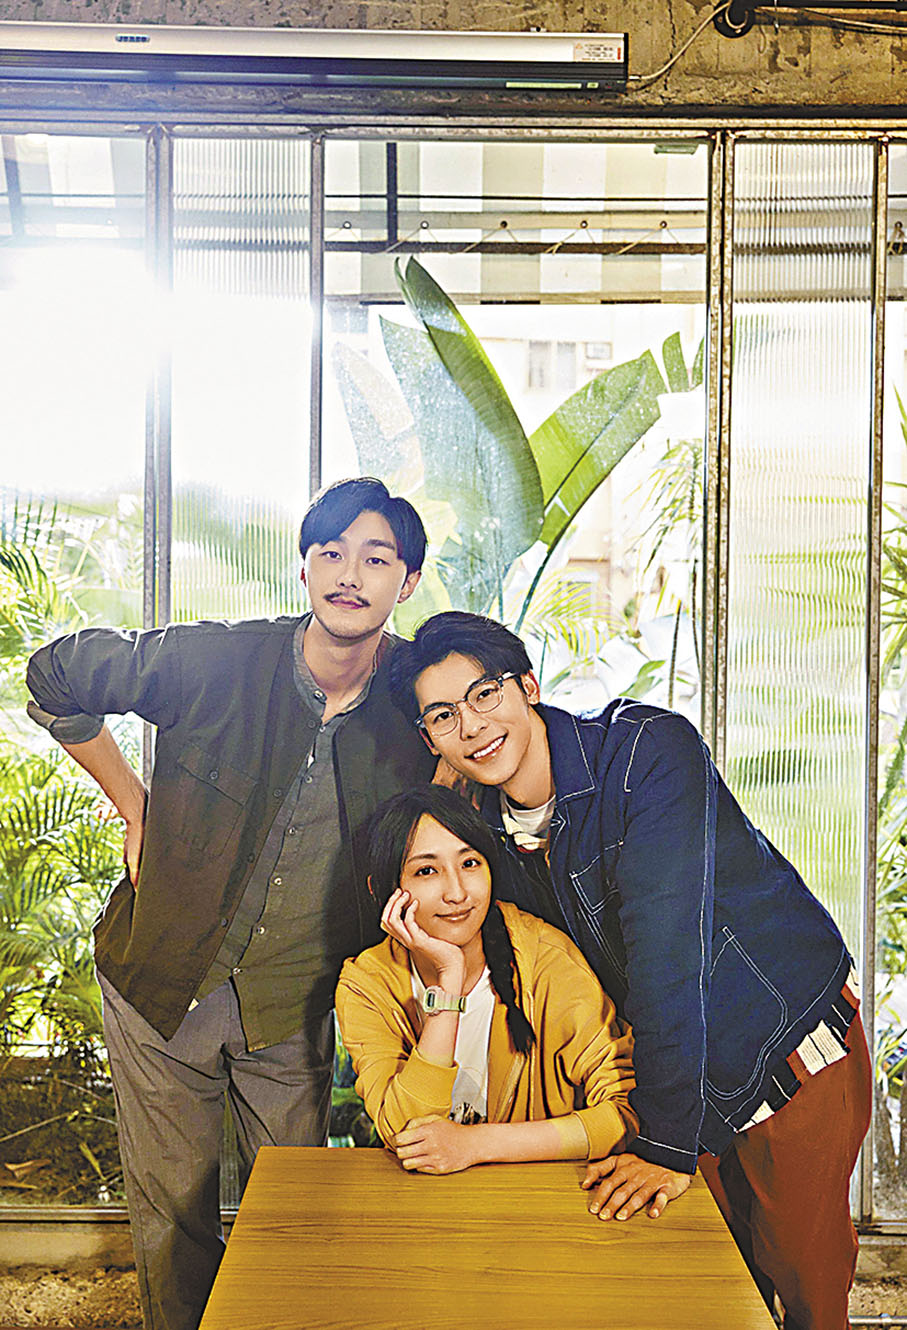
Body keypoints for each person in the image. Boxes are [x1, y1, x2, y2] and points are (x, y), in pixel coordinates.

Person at [25, 477, 435, 1330]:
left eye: (376, 558)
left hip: (293, 1005)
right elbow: (54, 674)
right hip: (160, 981)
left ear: (408, 581)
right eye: (331, 553)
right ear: (303, 568)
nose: (349, 574)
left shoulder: (414, 699)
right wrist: (133, 804)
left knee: (294, 1213)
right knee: (174, 1215)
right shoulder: (214, 662)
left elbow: (489, 746)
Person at [388, 610, 872, 1330]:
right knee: (711, 1283)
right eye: (443, 716)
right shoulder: (481, 825)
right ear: (430, 739)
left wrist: (666, 1144)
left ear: (528, 686)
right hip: (676, 1069)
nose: (472, 726)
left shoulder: (648, 750)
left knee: (805, 1280)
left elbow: (667, 950)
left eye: (485, 694)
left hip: (782, 1041)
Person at [335, 784, 637, 1172]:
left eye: (470, 863)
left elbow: (624, 1112)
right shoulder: (367, 984)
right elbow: (406, 1135)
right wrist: (448, 981)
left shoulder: (544, 958)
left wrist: (476, 1145)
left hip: (540, 1190)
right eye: (427, 870)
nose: (457, 892)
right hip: (427, 1197)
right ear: (383, 891)